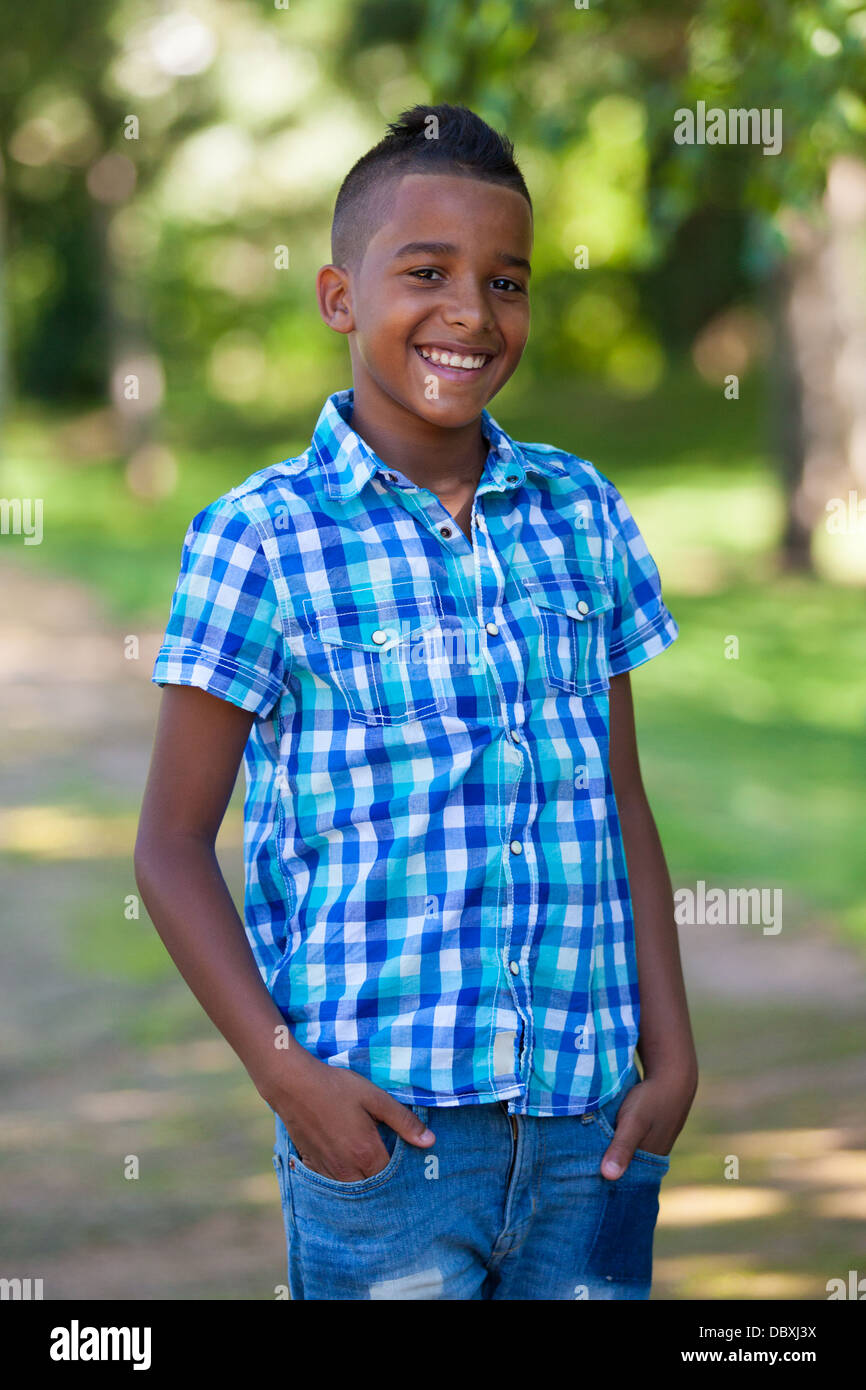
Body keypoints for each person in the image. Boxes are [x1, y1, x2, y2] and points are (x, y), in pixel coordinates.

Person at [135, 103, 698, 1301]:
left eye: (505, 281)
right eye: (426, 273)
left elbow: (620, 799)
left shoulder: (579, 510)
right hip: (381, 1135)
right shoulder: (260, 537)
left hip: (585, 1130)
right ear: (340, 298)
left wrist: (674, 1053)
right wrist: (288, 1076)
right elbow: (171, 847)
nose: (470, 314)